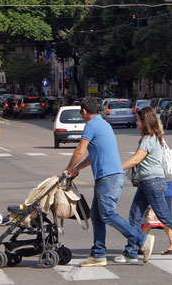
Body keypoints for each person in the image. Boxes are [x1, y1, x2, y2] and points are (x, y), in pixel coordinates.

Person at [63, 97, 155, 267]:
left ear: (84, 112)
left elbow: (79, 150)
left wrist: (69, 168)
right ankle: (98, 254)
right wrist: (77, 169)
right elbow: (93, 155)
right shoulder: (104, 124)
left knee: (107, 214)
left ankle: (141, 239)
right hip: (108, 177)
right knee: (97, 216)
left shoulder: (91, 125)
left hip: (109, 178)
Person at [116, 106, 172, 263]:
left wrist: (115, 169)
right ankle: (131, 252)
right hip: (147, 183)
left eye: (138, 120)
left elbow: (136, 159)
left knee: (165, 217)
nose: (136, 123)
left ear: (144, 121)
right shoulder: (151, 138)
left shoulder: (149, 139)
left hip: (153, 183)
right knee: (134, 216)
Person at [141, 179, 172, 255]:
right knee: (148, 215)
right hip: (156, 184)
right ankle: (142, 243)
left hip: (159, 185)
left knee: (162, 216)